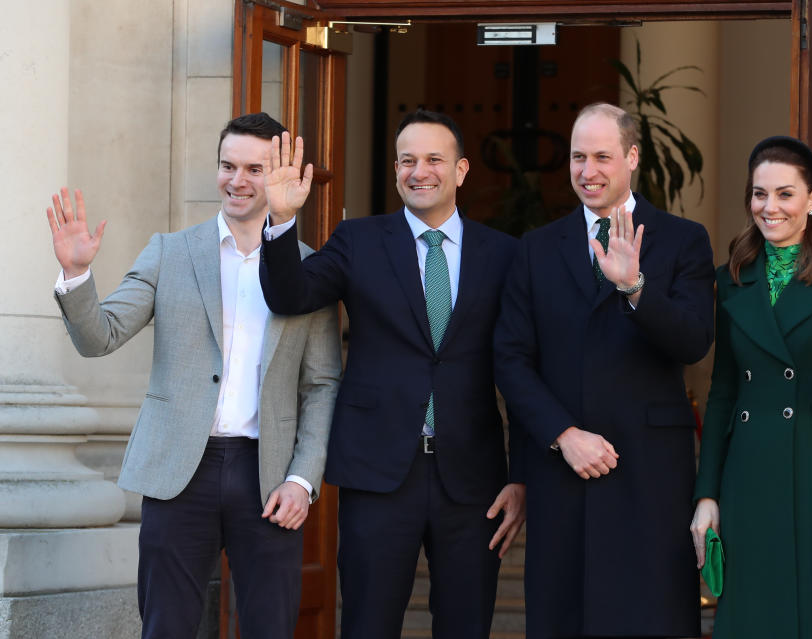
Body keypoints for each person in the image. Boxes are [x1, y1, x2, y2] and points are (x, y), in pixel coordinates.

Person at [45, 112, 342, 639]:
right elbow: (100, 338)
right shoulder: (170, 251)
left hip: (268, 474)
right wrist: (76, 275)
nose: (238, 181)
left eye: (254, 168)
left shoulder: (309, 268)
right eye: (228, 166)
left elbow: (321, 385)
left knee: (270, 627)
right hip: (180, 469)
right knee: (166, 626)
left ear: (277, 176)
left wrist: (302, 479)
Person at [258, 109, 525, 639]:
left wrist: (521, 477)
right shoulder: (357, 241)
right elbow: (290, 295)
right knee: (368, 625)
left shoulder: (504, 254)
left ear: (462, 170)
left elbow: (522, 365)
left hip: (473, 481)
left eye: (433, 159)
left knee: (466, 626)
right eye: (407, 160)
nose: (418, 171)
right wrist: (283, 221)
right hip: (377, 475)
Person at [495, 102, 715, 639]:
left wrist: (636, 288)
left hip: (650, 474)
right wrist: (561, 434)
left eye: (601, 156)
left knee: (652, 617)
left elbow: (694, 342)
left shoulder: (683, 239)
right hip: (563, 472)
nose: (587, 171)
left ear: (632, 157)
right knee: (562, 616)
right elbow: (511, 359)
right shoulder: (536, 248)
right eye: (576, 157)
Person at [690, 136, 812, 639]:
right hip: (748, 472)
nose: (769, 207)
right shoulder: (732, 278)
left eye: (784, 194)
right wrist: (707, 493)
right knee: (755, 614)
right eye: (759, 194)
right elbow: (721, 396)